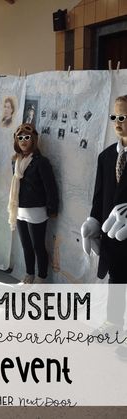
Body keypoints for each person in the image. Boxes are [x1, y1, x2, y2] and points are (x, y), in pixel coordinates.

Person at [81, 95, 127, 339]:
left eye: (124, 117)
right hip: (113, 235)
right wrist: (93, 220)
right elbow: (99, 196)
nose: (118, 122)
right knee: (117, 279)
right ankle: (114, 324)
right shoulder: (106, 156)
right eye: (115, 117)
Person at [8, 123, 59, 284]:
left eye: (27, 137)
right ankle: (29, 275)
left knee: (38, 246)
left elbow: (50, 187)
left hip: (37, 209)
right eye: (20, 137)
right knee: (26, 245)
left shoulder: (41, 162)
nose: (23, 141)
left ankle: (41, 277)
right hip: (20, 209)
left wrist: (52, 208)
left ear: (33, 140)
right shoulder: (15, 161)